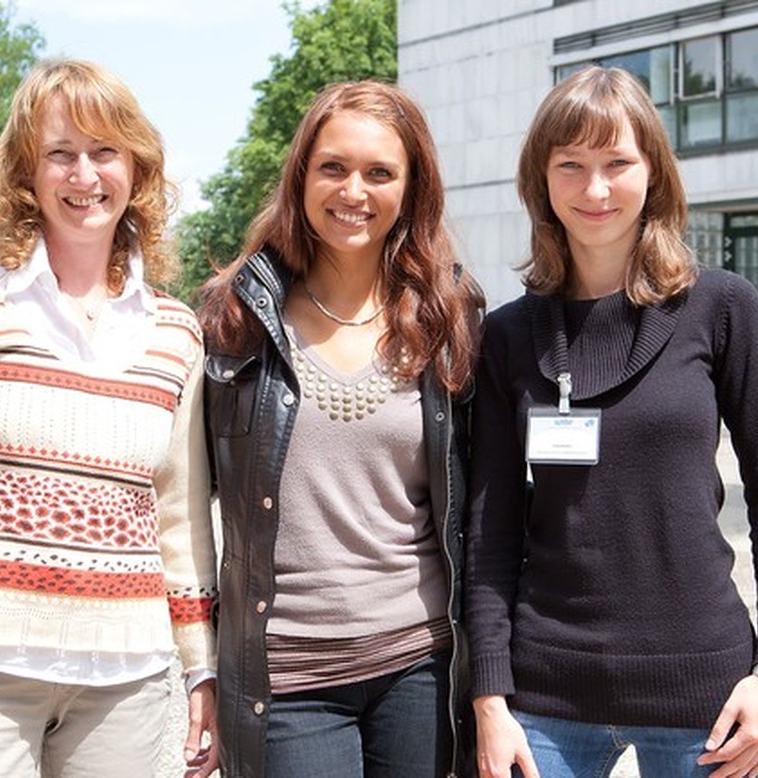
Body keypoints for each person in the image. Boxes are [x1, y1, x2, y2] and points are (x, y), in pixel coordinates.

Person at [0, 59, 218, 778]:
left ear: (137, 170)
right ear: (27, 174)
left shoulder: (177, 333)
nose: (84, 175)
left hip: (127, 681)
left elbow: (180, 520)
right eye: (61, 154)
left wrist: (200, 670)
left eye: (104, 152)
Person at [465, 66, 758, 778]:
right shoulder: (507, 334)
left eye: (617, 163)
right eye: (572, 166)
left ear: (653, 171)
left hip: (706, 695)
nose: (595, 190)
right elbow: (490, 530)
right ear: (542, 180)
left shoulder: (722, 308)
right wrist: (489, 699)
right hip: (545, 698)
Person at [197, 80, 482, 778]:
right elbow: (181, 503)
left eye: (380, 172)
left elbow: (479, 503)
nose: (354, 190)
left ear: (412, 190)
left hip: (419, 661)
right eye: (334, 167)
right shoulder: (237, 316)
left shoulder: (451, 316)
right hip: (287, 674)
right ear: (301, 176)